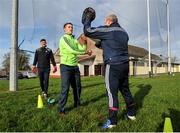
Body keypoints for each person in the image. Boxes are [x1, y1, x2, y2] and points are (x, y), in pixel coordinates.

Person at [82, 8, 136, 129]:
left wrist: (87, 19)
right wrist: (100, 43)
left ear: (109, 21)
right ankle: (131, 114)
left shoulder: (108, 29)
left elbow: (88, 31)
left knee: (111, 93)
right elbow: (110, 43)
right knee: (125, 90)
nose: (104, 23)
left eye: (105, 21)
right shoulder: (124, 32)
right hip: (125, 65)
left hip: (113, 65)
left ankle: (112, 121)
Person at [58, 22, 92, 115]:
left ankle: (77, 104)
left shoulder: (74, 39)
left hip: (74, 67)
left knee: (77, 87)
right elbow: (72, 51)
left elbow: (80, 48)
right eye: (69, 27)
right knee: (65, 88)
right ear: (64, 29)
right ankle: (61, 109)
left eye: (72, 27)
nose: (71, 28)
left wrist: (85, 42)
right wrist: (85, 52)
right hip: (65, 66)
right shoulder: (63, 39)